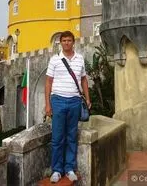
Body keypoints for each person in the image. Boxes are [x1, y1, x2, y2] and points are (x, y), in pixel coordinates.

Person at [45, 31, 91, 183]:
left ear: (73, 42)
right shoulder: (55, 60)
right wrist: (47, 104)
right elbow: (48, 82)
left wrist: (87, 98)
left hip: (75, 101)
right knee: (58, 137)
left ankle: (69, 168)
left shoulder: (79, 59)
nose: (66, 43)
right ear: (60, 43)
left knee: (71, 137)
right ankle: (57, 170)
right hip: (57, 100)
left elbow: (83, 79)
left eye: (69, 40)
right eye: (64, 40)